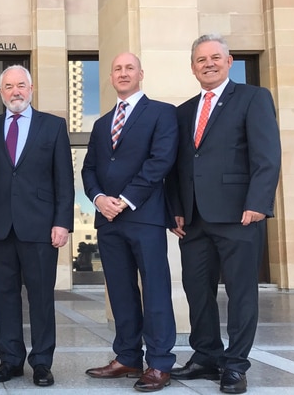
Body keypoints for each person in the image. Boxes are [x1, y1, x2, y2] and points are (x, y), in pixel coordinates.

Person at [166, 34, 281, 394]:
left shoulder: (253, 98)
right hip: (194, 219)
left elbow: (267, 155)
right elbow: (178, 166)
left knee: (241, 292)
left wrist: (258, 203)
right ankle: (205, 356)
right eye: (201, 60)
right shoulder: (183, 112)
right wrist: (177, 210)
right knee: (196, 290)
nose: (209, 64)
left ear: (229, 62)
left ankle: (235, 364)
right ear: (193, 68)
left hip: (239, 215)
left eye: (215, 57)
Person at [81, 53, 178, 392]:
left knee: (155, 291)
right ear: (110, 76)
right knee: (120, 292)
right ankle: (127, 357)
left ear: (141, 74)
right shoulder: (101, 122)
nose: (123, 73)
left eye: (129, 68)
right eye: (117, 68)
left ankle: (160, 362)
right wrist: (98, 199)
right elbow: (89, 167)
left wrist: (124, 199)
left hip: (144, 216)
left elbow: (160, 160)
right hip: (108, 221)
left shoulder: (162, 113)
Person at [0, 65, 74, 387]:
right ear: (0, 92)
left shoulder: (54, 127)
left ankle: (42, 362)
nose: (15, 91)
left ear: (31, 89)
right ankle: (10, 361)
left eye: (20, 85)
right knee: (4, 297)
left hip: (41, 227)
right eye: (8, 87)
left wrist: (62, 222)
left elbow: (64, 180)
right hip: (0, 228)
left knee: (42, 297)